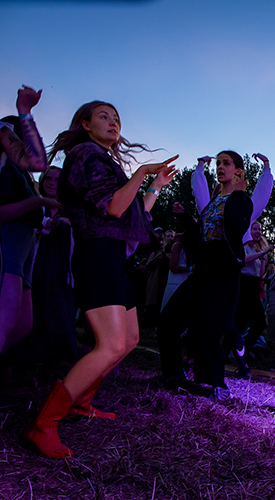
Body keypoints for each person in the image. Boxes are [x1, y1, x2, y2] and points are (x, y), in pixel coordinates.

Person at [22, 101, 177, 458]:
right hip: (95, 255)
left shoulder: (104, 161)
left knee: (129, 339)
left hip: (111, 255)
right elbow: (113, 208)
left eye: (117, 118)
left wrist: (152, 186)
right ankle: (43, 425)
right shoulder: (87, 154)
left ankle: (80, 402)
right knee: (109, 343)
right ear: (86, 125)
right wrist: (139, 173)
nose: (113, 122)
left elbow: (129, 216)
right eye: (104, 116)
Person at [158, 150, 253, 396]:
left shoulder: (241, 200)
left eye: (227, 163)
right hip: (203, 269)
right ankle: (172, 374)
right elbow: (204, 233)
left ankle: (214, 385)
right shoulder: (213, 202)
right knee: (169, 319)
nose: (220, 167)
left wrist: (238, 191)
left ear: (238, 171)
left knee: (206, 325)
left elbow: (235, 226)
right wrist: (184, 219)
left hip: (223, 272)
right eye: (219, 163)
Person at [0, 86, 51, 355]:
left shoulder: (20, 177)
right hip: (6, 244)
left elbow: (37, 162)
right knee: (4, 320)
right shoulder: (2, 132)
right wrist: (24, 113)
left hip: (24, 249)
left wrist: (26, 114)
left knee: (22, 325)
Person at [18, 166, 79, 364]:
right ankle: (29, 359)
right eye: (48, 180)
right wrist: (47, 224)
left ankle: (59, 361)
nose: (53, 183)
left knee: (61, 311)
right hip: (36, 265)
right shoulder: (36, 206)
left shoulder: (72, 209)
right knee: (33, 310)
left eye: (57, 180)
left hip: (62, 269)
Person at [233, 220, 275, 358]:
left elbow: (260, 273)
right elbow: (243, 260)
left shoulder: (257, 250)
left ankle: (242, 350)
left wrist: (264, 259)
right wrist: (263, 252)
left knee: (257, 322)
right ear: (249, 232)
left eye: (260, 230)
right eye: (255, 229)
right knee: (241, 321)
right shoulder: (243, 247)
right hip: (244, 284)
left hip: (254, 285)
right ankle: (230, 351)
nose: (258, 232)